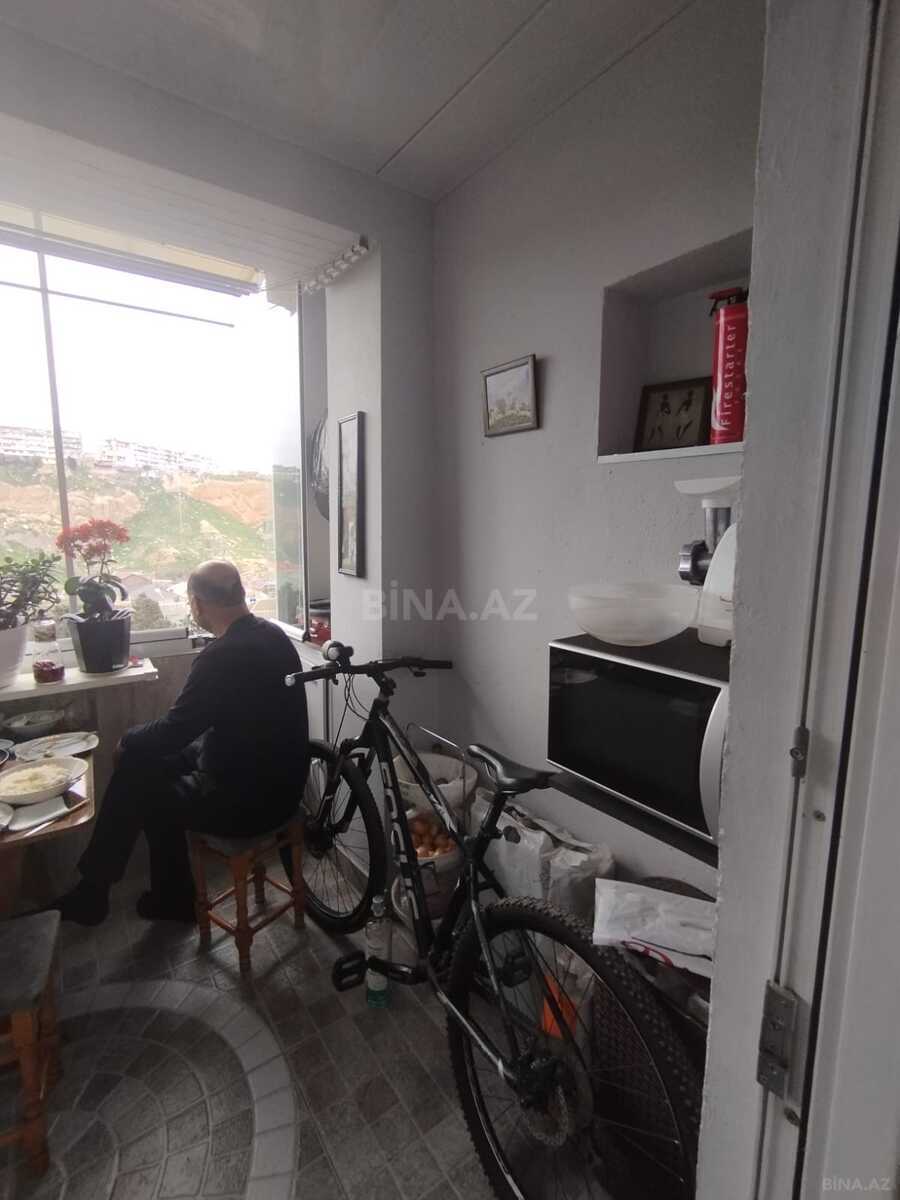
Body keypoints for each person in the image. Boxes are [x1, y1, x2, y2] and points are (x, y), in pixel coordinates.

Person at [52, 561, 309, 926]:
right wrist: (138, 745)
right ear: (240, 593)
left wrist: (126, 739)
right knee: (141, 763)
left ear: (197, 603)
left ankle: (114, 893)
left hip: (245, 804)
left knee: (140, 776)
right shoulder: (273, 636)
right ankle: (151, 894)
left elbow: (174, 730)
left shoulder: (220, 656)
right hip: (284, 787)